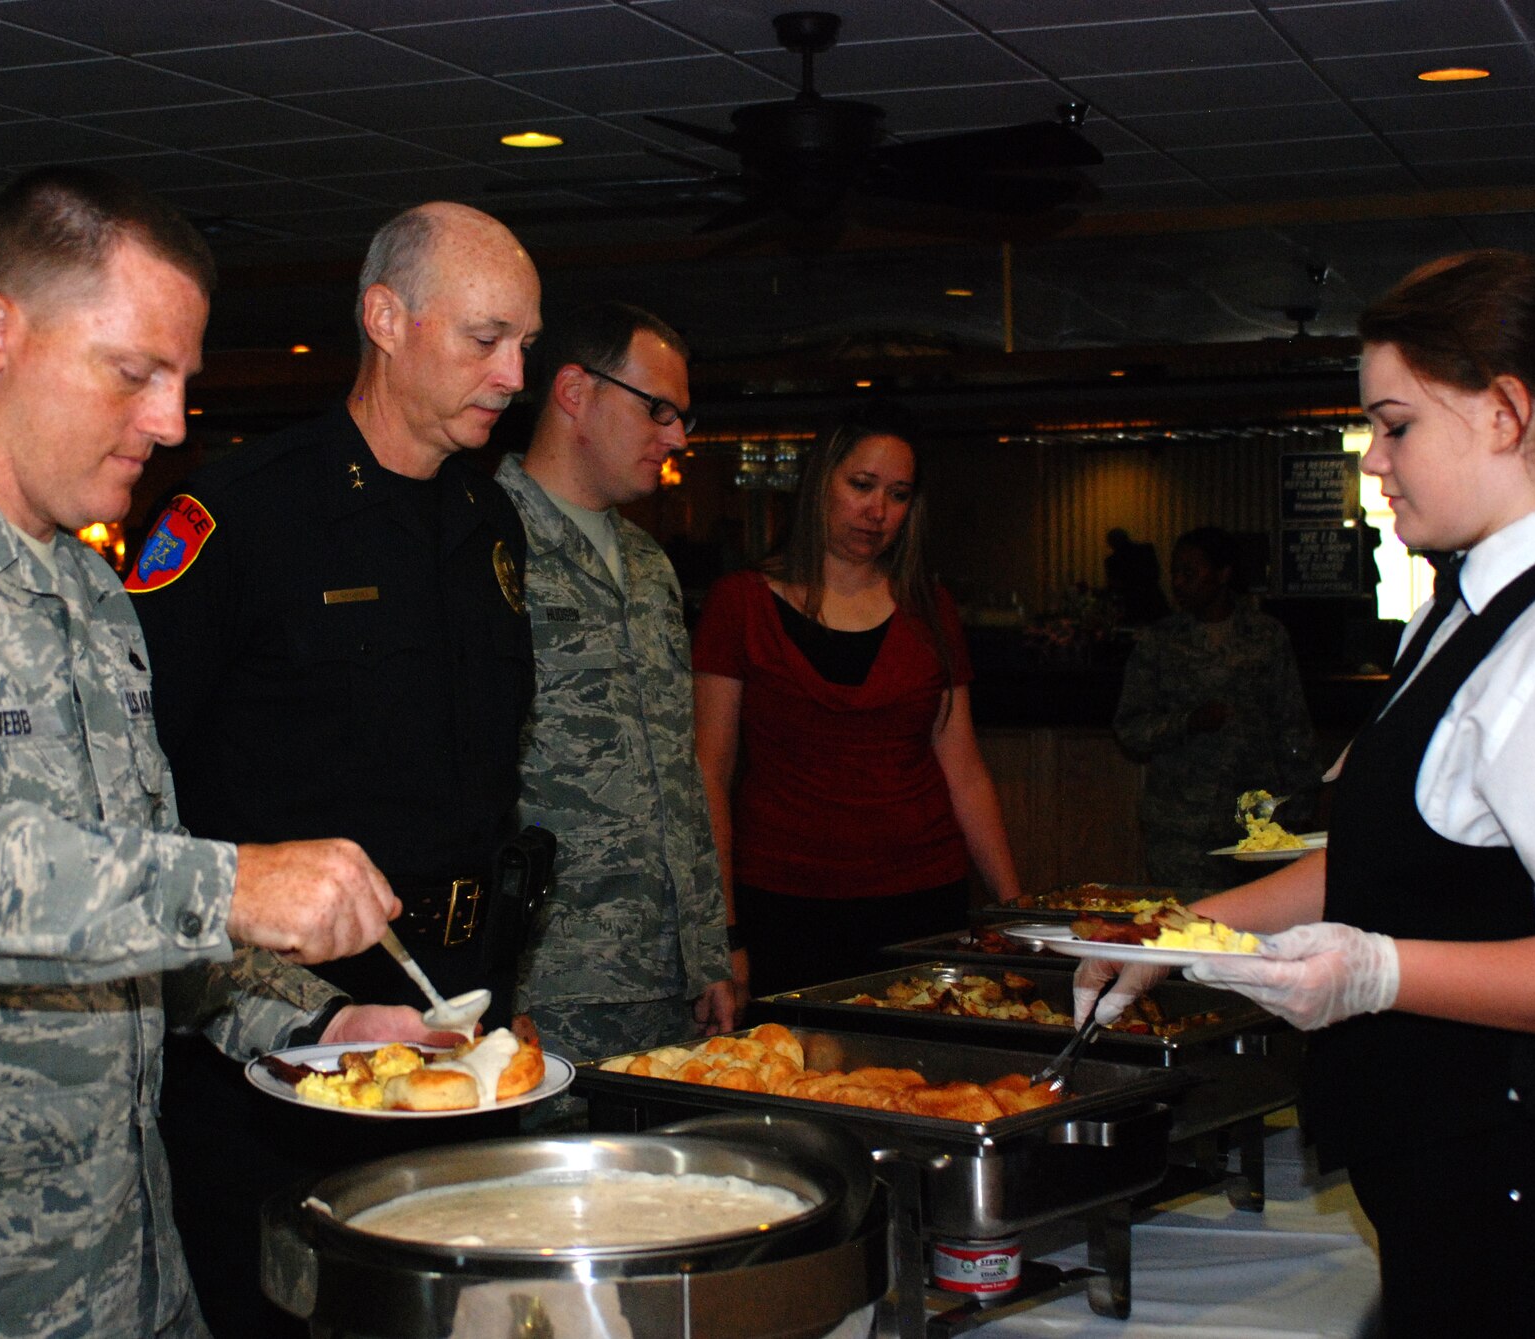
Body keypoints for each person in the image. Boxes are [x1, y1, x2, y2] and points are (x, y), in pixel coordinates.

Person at [0, 165, 448, 1339]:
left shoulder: (89, 592)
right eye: (135, 372)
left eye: (182, 381)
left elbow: (128, 914)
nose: (170, 421)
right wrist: (230, 884)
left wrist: (310, 1025)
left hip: (123, 1266)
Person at [1080, 251, 1535, 1335]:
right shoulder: (1469, 606)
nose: (1373, 461)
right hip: (1453, 1184)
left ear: (1503, 412)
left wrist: (1376, 973)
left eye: (1393, 424)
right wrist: (1176, 930)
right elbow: (1393, 851)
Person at [127, 201, 541, 1337]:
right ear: (384, 319)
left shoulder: (489, 518)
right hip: (284, 1044)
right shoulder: (240, 517)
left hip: (461, 1009)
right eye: (485, 338)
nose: (514, 374)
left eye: (526, 345)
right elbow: (135, 789)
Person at [693, 411, 1024, 1001]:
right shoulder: (739, 604)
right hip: (784, 903)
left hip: (922, 898)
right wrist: (723, 932)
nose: (878, 512)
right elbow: (709, 774)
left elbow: (963, 765)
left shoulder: (929, 608)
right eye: (862, 486)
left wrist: (1013, 908)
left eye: (898, 495)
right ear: (821, 482)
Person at [495, 299, 734, 1063]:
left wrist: (710, 948)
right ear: (574, 391)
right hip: (550, 983)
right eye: (658, 408)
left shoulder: (651, 564)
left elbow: (680, 768)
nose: (675, 436)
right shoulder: (486, 545)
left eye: (683, 417)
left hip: (668, 983)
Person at [1113, 525, 1318, 888]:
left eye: (1190, 573)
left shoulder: (1266, 636)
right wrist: (1187, 722)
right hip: (1181, 826)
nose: (1178, 582)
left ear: (1223, 574)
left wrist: (1301, 808)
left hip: (1255, 823)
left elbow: (1293, 725)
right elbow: (1131, 730)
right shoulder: (1159, 642)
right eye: (1174, 572)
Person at [1104, 526, 1170, 625]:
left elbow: (1115, 585)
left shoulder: (1113, 561)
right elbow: (1155, 574)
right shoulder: (1145, 550)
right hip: (1152, 601)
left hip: (1132, 604)